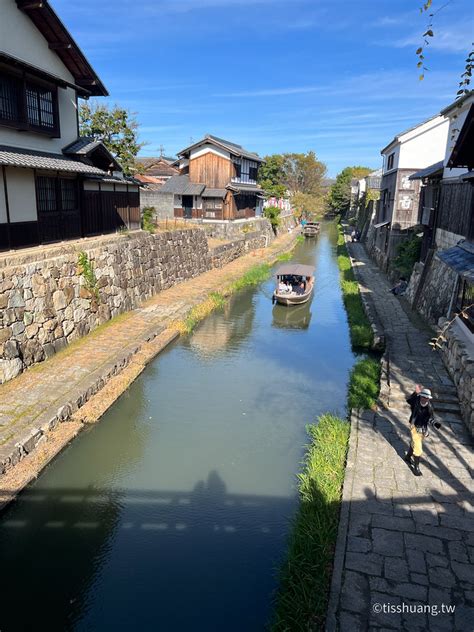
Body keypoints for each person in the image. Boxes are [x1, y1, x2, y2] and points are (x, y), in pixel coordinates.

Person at [405, 385, 441, 476]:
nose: (425, 399)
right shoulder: (416, 401)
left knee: (415, 443)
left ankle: (408, 456)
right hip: (414, 426)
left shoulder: (429, 408)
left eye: (427, 398)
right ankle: (416, 468)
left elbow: (429, 419)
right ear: (421, 396)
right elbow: (408, 400)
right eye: (423, 397)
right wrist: (415, 393)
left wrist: (435, 423)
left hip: (423, 429)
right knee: (418, 447)